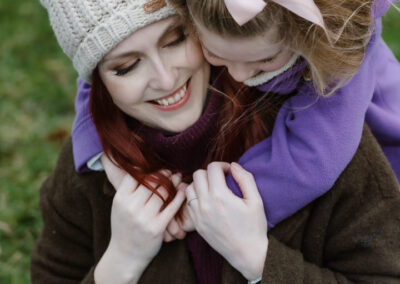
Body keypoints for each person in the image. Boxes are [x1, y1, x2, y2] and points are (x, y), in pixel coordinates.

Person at [31, 0, 400, 283]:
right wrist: (120, 264)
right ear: (98, 83)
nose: (164, 78)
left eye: (175, 40)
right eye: (125, 67)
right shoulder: (90, 171)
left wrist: (259, 259)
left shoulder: (313, 107)